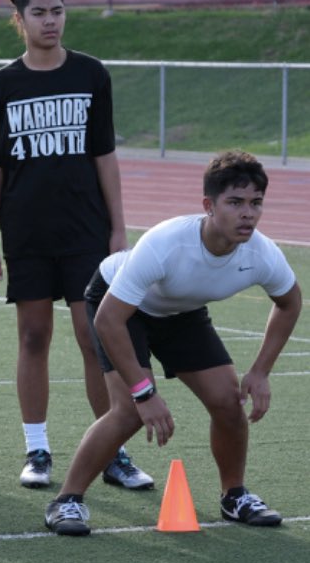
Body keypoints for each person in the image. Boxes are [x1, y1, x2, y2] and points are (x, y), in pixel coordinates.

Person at [45, 150, 301, 536]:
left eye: (255, 203)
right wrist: (144, 394)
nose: (247, 213)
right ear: (208, 206)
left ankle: (234, 495)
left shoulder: (262, 253)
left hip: (181, 314)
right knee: (129, 411)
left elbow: (289, 302)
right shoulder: (167, 242)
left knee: (228, 402)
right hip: (120, 306)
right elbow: (109, 319)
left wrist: (261, 370)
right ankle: (66, 501)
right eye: (235, 202)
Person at [0, 0, 152, 489]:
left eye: (57, 11)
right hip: (27, 232)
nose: (50, 21)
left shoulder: (92, 74)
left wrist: (119, 232)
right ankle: (38, 451)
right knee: (33, 336)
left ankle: (111, 453)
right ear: (20, 19)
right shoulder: (2, 85)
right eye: (39, 13)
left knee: (95, 336)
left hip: (85, 233)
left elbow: (106, 159)